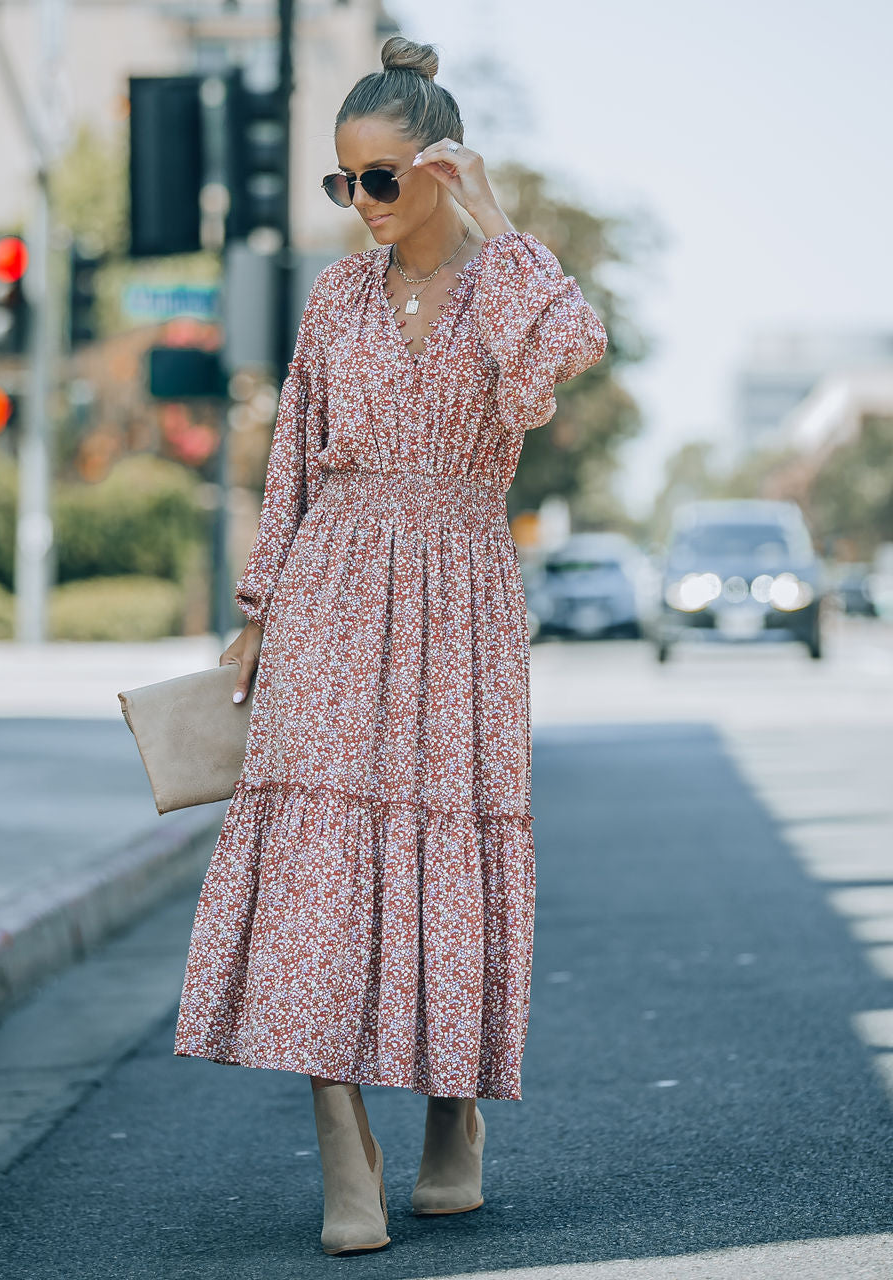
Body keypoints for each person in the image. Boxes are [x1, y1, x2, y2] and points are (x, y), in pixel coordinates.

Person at [173, 34, 608, 1257]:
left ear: (436, 169)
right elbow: (291, 460)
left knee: (446, 858)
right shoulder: (332, 299)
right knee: (321, 860)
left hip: (460, 599)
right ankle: (339, 1139)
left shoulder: (506, 290)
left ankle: (453, 1109)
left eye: (380, 179)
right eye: (341, 180)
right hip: (331, 595)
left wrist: (495, 215)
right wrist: (260, 610)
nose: (359, 204)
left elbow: (569, 355)